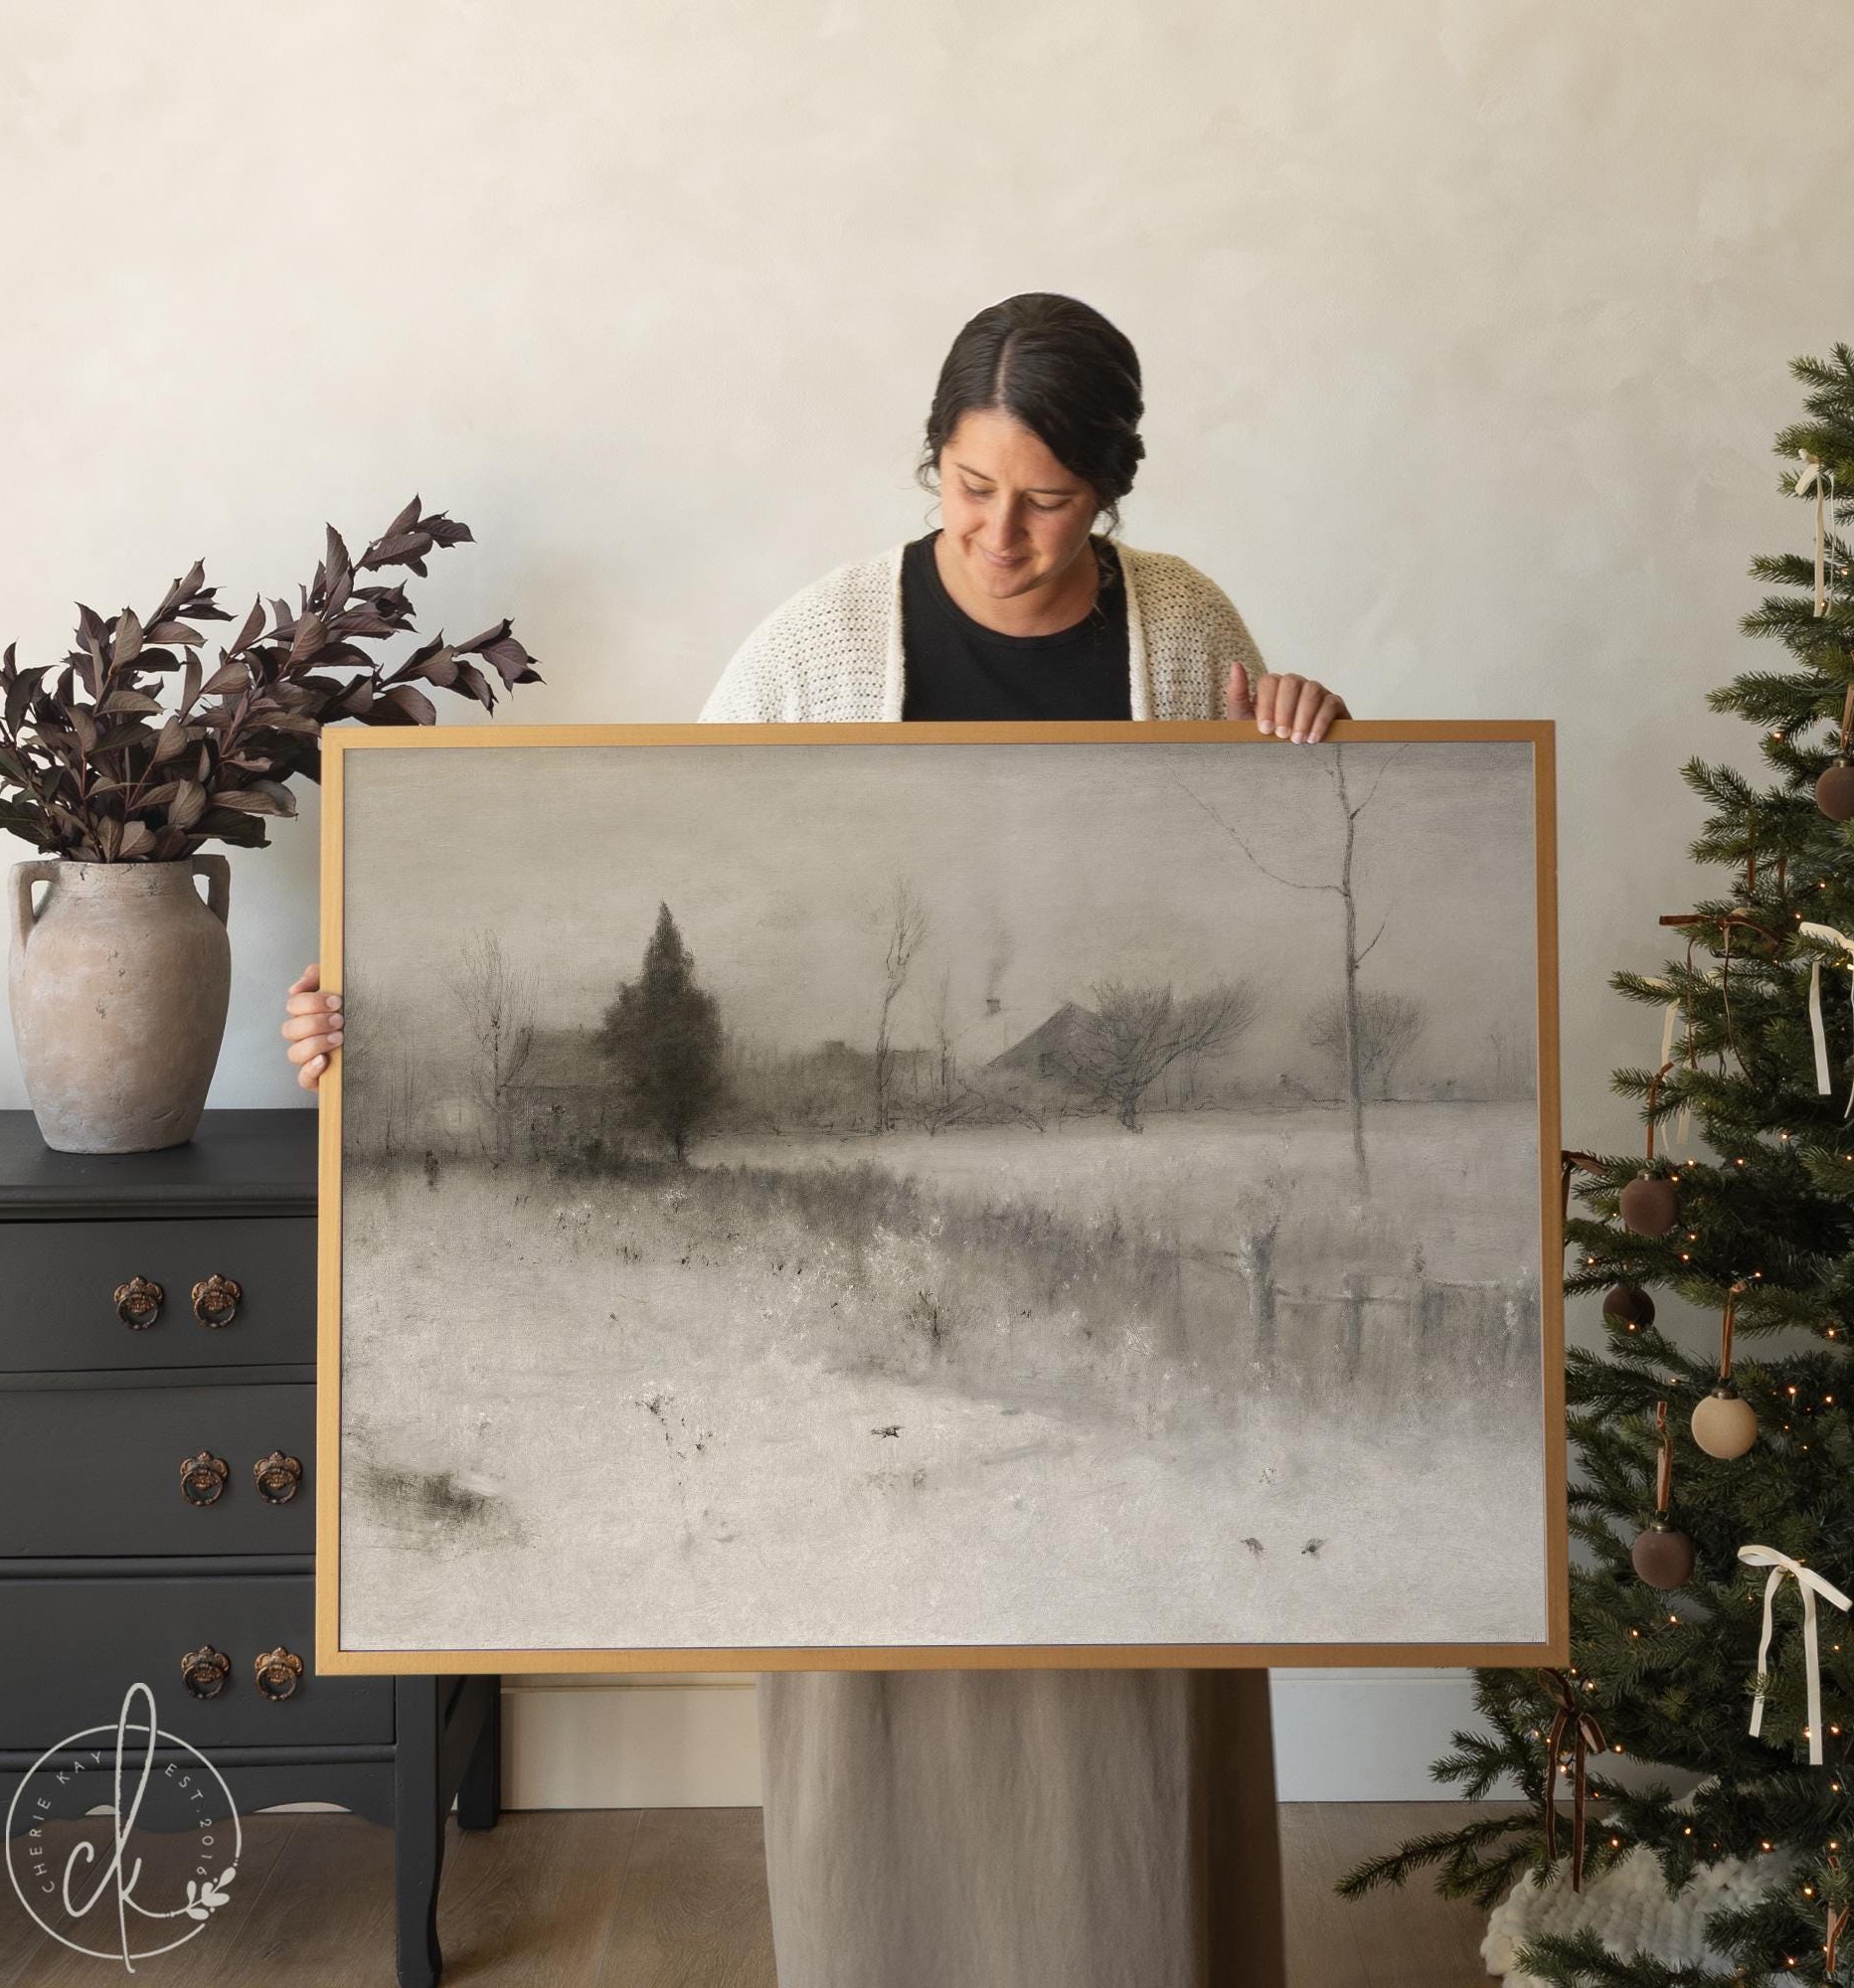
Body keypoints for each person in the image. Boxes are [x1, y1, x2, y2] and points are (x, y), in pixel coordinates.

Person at [284, 292, 1351, 1988]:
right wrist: (389, 993)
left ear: (1113, 489)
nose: (1001, 534)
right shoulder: (818, 649)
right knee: (892, 1618)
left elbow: (1266, 909)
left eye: (1049, 501)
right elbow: (659, 876)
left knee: (1136, 1639)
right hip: (883, 1299)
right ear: (932, 462)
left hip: (1114, 1319)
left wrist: (1310, 739)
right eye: (967, 486)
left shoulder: (1184, 631)